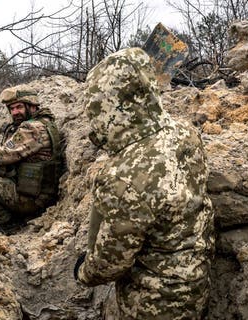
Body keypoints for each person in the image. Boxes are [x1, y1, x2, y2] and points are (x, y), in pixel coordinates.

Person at [73, 47, 215, 319]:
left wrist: (83, 271)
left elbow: (111, 262)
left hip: (153, 305)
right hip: (198, 282)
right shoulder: (185, 132)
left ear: (109, 106)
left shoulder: (121, 177)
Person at [0, 84, 63, 230]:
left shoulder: (32, 128)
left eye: (19, 107)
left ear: (32, 106)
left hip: (31, 201)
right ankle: (12, 217)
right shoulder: (45, 123)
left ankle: (8, 223)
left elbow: (2, 155)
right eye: (12, 108)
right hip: (36, 195)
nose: (15, 112)